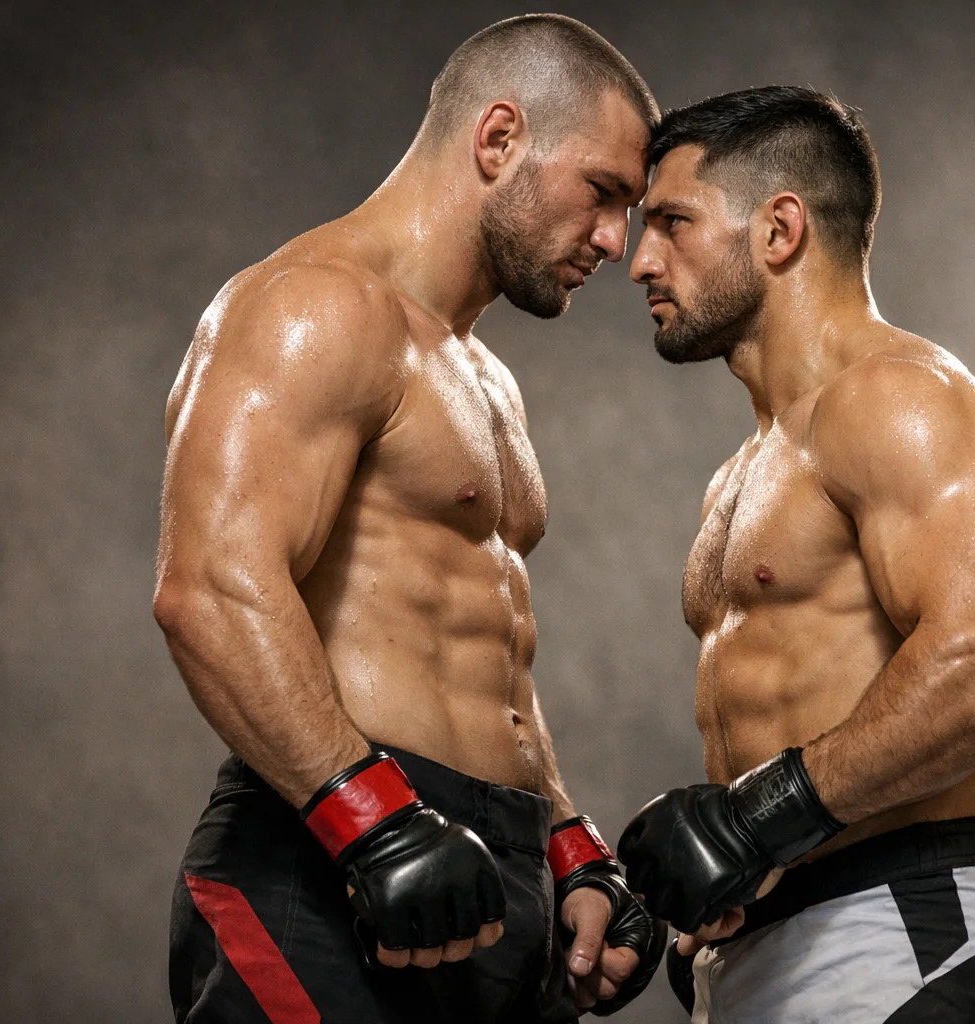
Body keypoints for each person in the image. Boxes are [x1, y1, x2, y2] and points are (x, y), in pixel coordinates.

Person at [153, 15, 665, 1023]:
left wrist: (567, 844)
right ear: (499, 138)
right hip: (326, 868)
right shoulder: (313, 307)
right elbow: (209, 588)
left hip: (483, 877)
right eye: (603, 193)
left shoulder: (487, 380)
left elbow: (487, 659)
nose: (617, 242)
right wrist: (369, 819)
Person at [616, 86, 975, 1022]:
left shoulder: (901, 398)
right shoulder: (746, 469)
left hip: (917, 929)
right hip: (783, 947)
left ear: (779, 229)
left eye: (671, 222)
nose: (640, 262)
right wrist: (708, 897)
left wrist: (756, 823)